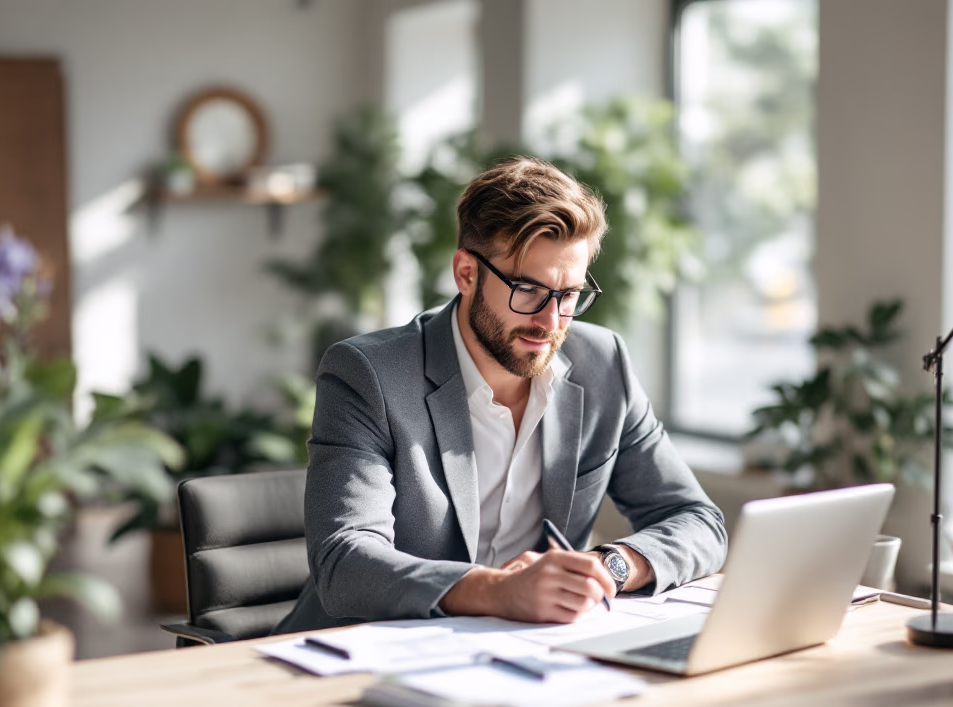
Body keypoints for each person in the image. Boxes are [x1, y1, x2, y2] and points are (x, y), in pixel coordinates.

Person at [274, 156, 727, 635]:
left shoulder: (603, 365)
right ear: (466, 274)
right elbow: (345, 563)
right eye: (527, 290)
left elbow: (698, 520)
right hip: (351, 655)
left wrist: (610, 566)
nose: (551, 323)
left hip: (523, 654)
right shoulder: (369, 374)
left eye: (568, 295)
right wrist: (495, 591)